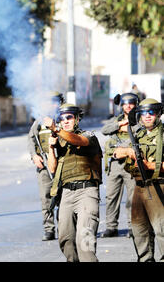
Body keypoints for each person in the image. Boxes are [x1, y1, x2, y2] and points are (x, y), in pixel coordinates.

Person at [45, 103, 103, 262]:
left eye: (69, 117)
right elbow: (52, 168)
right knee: (66, 240)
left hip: (87, 192)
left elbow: (78, 141)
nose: (65, 121)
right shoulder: (59, 141)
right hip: (66, 194)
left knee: (85, 241)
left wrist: (56, 129)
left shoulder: (88, 135)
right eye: (62, 118)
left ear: (77, 119)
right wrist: (51, 148)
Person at [113, 98, 164, 262]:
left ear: (158, 114)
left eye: (151, 112)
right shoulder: (137, 134)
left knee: (161, 229)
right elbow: (116, 153)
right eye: (144, 113)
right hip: (139, 188)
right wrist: (126, 151)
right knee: (139, 229)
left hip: (159, 186)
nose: (147, 116)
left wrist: (152, 165)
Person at [27, 91, 65, 241]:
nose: (53, 104)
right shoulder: (39, 121)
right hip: (44, 166)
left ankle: (64, 228)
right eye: (50, 101)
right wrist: (34, 156)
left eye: (56, 101)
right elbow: (31, 139)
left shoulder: (64, 119)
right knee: (46, 198)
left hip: (62, 164)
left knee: (63, 198)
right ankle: (49, 229)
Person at [101, 93, 139, 238]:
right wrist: (119, 125)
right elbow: (105, 130)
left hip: (131, 163)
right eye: (125, 103)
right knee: (111, 196)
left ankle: (132, 226)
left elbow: (140, 132)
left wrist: (128, 128)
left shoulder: (139, 120)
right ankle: (111, 227)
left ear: (136, 104)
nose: (128, 106)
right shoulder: (115, 120)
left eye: (131, 103)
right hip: (114, 164)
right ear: (121, 105)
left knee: (132, 197)